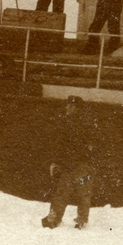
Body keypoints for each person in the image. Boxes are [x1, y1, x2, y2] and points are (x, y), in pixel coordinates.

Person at [41, 96, 95, 229]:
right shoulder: (86, 123)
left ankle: (55, 219)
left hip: (76, 165)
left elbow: (64, 145)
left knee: (65, 193)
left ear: (75, 108)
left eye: (69, 106)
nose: (66, 108)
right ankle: (80, 221)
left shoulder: (71, 124)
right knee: (81, 193)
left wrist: (58, 162)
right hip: (80, 164)